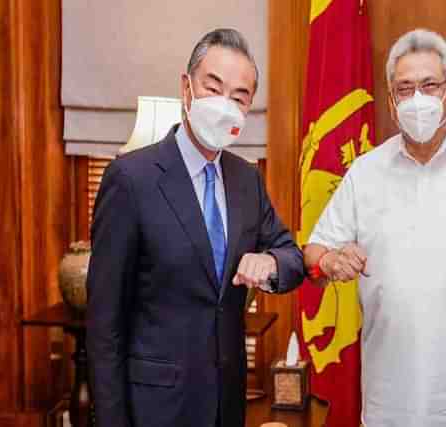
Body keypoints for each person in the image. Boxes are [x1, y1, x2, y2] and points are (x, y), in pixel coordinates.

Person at [304, 29, 446, 427]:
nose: (418, 100)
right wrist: (329, 261)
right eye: (405, 89)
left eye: (430, 86)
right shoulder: (364, 172)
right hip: (386, 406)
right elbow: (314, 251)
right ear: (391, 102)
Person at [87, 29, 305, 427]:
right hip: (154, 407)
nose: (226, 104)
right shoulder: (131, 178)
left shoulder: (247, 180)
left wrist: (270, 262)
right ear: (186, 89)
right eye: (214, 87)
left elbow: (292, 256)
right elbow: (105, 325)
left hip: (227, 403)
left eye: (239, 97)